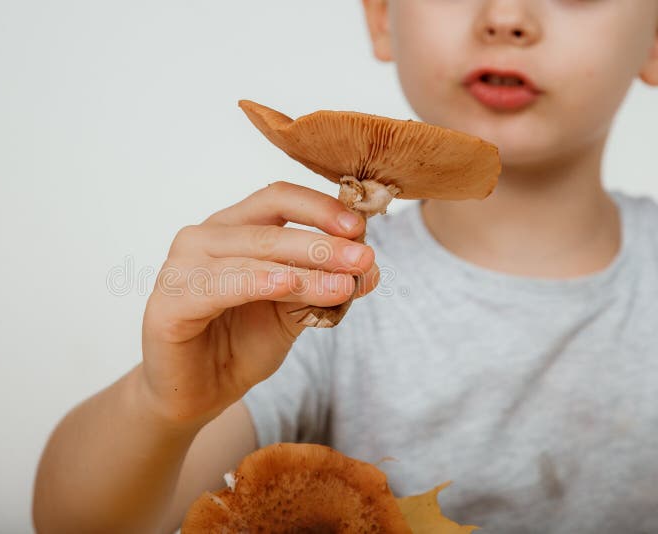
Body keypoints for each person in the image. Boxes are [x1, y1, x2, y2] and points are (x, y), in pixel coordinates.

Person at [32, 1, 658, 532]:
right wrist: (161, 403)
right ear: (383, 18)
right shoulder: (310, 300)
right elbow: (79, 523)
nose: (505, 17)